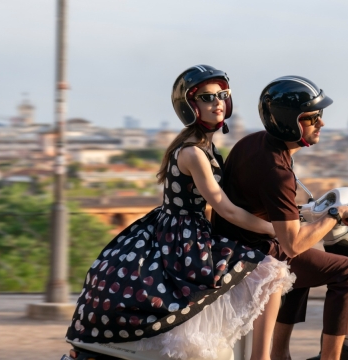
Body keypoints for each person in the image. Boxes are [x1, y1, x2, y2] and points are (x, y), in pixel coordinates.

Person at [65, 65, 295, 360]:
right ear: (190, 106)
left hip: (180, 230)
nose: (218, 103)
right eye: (207, 97)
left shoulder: (203, 148)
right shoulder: (193, 153)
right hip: (185, 237)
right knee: (269, 268)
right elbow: (226, 209)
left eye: (223, 95)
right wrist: (276, 229)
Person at [213, 76, 348, 360]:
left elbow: (261, 203)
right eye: (312, 117)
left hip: (232, 243)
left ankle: (280, 352)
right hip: (253, 253)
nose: (321, 122)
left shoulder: (254, 142)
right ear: (288, 122)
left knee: (302, 267)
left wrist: (307, 212)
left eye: (320, 115)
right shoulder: (278, 172)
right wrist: (335, 214)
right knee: (347, 271)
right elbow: (294, 243)